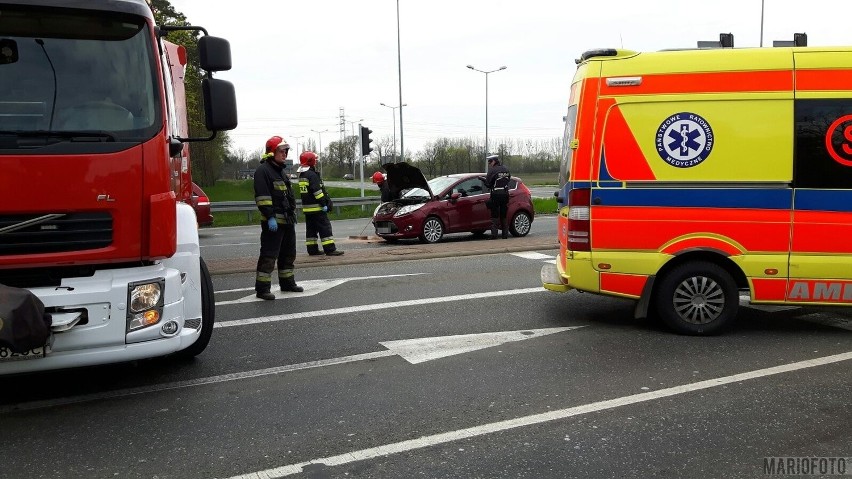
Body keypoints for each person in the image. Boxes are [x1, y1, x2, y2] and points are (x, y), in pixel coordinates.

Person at [252, 136, 303, 300]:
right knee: (269, 255)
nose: (285, 154)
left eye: (286, 151)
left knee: (288, 254)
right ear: (272, 151)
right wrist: (270, 217)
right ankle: (262, 288)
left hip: (287, 221)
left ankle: (287, 283)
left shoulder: (280, 170)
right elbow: (263, 197)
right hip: (273, 223)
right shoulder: (263, 171)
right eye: (282, 151)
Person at [298, 151, 344, 256]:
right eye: (315, 160)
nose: (316, 162)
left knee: (311, 230)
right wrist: (324, 204)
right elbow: (317, 192)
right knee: (325, 228)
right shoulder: (312, 175)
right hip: (317, 208)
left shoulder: (302, 174)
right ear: (311, 161)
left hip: (307, 209)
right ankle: (330, 249)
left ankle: (312, 250)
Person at [484, 154, 511, 239]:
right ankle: (505, 235)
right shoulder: (506, 169)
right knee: (503, 215)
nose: (489, 164)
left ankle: (494, 235)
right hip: (505, 194)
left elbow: (488, 184)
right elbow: (508, 179)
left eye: (490, 162)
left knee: (494, 215)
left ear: (494, 161)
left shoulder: (492, 170)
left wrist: (483, 180)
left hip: (496, 195)